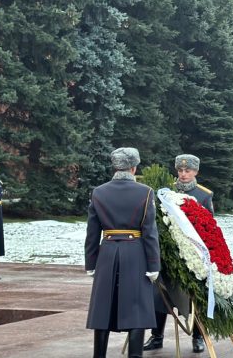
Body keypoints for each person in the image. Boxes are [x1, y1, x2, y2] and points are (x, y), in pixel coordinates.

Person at [85, 147, 161, 358]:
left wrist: (90, 263)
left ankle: (99, 355)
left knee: (102, 307)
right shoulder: (145, 192)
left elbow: (92, 232)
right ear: (134, 168)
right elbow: (149, 232)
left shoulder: (98, 192)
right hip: (135, 252)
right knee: (137, 306)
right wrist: (154, 264)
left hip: (107, 251)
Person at [144, 154, 212, 353]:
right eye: (180, 170)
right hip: (167, 253)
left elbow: (209, 227)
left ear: (196, 172)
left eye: (188, 170)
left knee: (194, 297)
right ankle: (156, 336)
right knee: (160, 295)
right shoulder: (166, 192)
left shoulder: (204, 195)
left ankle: (197, 337)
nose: (183, 174)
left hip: (192, 256)